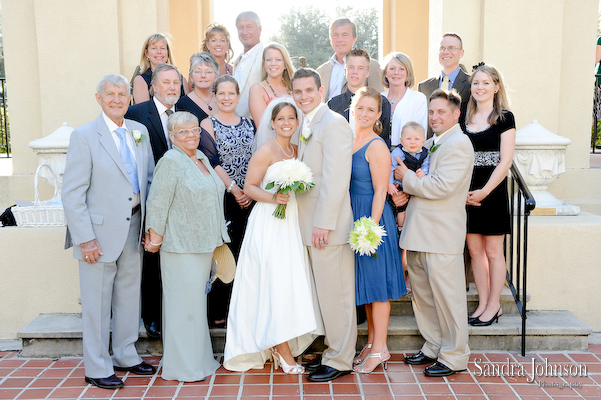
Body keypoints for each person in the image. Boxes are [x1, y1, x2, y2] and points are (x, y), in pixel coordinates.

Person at [62, 74, 155, 389]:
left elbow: (150, 181)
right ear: (98, 98)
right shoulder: (84, 136)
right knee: (97, 302)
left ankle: (125, 354)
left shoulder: (139, 131)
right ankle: (97, 366)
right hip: (97, 234)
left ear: (129, 98)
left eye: (122, 94)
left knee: (129, 296)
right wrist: (84, 237)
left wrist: (150, 225)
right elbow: (72, 194)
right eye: (110, 94)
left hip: (134, 225)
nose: (117, 99)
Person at [224, 99, 323, 373]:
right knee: (273, 282)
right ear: (272, 122)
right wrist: (273, 197)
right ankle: (280, 348)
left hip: (292, 221)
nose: (287, 123)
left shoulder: (297, 149)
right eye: (281, 119)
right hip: (270, 222)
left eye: (292, 118)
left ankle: (281, 340)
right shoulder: (266, 150)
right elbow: (249, 187)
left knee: (290, 282)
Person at [396, 89, 474, 377]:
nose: (435, 116)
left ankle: (454, 356)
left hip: (441, 235)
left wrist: (404, 178)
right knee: (424, 297)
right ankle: (433, 345)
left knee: (448, 298)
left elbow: (440, 186)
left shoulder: (459, 144)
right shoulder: (428, 143)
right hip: (418, 232)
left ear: (456, 114)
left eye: (441, 111)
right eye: (431, 112)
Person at [144, 111, 227, 381]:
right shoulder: (171, 161)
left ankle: (200, 360)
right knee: (182, 308)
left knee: (194, 307)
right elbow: (157, 202)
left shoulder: (200, 157)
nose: (191, 135)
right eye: (183, 132)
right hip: (180, 246)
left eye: (194, 130)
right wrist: (154, 239)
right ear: (171, 136)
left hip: (203, 243)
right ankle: (183, 366)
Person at [291, 68, 355, 382]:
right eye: (297, 92)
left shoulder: (334, 124)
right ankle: (332, 350)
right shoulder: (306, 124)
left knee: (337, 294)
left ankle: (342, 359)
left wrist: (324, 224)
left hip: (326, 228)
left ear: (321, 90)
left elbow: (336, 179)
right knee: (324, 295)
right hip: (307, 224)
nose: (303, 96)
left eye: (308, 90)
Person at [349, 87, 407, 374]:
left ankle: (381, 348)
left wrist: (369, 228)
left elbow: (381, 189)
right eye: (360, 107)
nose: (364, 113)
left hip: (371, 219)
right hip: (354, 216)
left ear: (379, 114)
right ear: (353, 107)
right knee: (368, 287)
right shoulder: (350, 140)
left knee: (378, 289)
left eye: (370, 109)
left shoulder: (376, 145)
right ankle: (372, 344)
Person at [125, 62, 182, 339]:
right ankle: (152, 318)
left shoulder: (186, 112)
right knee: (151, 257)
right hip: (150, 198)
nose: (172, 87)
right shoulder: (135, 115)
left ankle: (175, 313)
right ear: (154, 87)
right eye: (166, 82)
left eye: (176, 83)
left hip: (181, 200)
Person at [460, 65, 515, 327]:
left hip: (491, 190)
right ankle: (483, 303)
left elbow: (505, 162)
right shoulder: (463, 118)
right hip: (466, 192)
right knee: (474, 250)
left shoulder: (505, 118)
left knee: (493, 251)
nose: (479, 88)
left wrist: (484, 191)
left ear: (496, 87)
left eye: (485, 83)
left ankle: (495, 305)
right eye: (475, 83)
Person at [199, 75, 255, 328]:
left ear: (238, 96)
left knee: (246, 252)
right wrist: (234, 189)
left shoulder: (250, 123)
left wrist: (249, 192)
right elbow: (211, 161)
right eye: (220, 93)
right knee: (225, 254)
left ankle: (241, 309)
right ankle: (218, 311)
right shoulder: (207, 123)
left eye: (231, 93)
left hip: (250, 198)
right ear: (214, 96)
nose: (226, 98)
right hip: (223, 197)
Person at [388, 122, 430, 291]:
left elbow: (426, 167)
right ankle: (401, 228)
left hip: (417, 192)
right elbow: (390, 168)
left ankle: (410, 277)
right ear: (401, 140)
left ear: (423, 140)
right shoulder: (398, 153)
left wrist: (423, 172)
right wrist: (389, 184)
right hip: (400, 189)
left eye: (416, 139)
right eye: (408, 138)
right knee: (402, 214)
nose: (412, 142)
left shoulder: (425, 154)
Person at [328, 48, 392, 146]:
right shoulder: (333, 104)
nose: (355, 72)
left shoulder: (382, 103)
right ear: (345, 71)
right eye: (351, 67)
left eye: (360, 68)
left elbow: (384, 141)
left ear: (367, 73)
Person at [317, 18, 384, 102]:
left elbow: (379, 101)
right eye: (335, 35)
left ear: (354, 39)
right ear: (330, 40)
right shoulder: (321, 71)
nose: (340, 39)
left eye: (345, 35)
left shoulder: (372, 66)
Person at [418, 33, 470, 137]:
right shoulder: (424, 87)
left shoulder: (472, 84)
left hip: (459, 147)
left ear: (461, 53)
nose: (446, 52)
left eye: (451, 48)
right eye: (442, 48)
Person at [382, 52, 428, 147]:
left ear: (408, 73)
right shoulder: (378, 98)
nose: (396, 73)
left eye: (401, 69)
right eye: (392, 68)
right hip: (378, 154)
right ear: (386, 73)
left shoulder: (418, 99)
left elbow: (421, 134)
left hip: (407, 157)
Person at [131, 33, 187, 105]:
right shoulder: (140, 80)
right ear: (146, 53)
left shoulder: (181, 79)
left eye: (162, 48)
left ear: (168, 53)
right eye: (154, 48)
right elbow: (144, 112)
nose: (159, 52)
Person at [248, 42, 295, 127]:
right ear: (264, 64)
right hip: (271, 139)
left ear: (285, 65)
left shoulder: (293, 88)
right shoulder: (257, 90)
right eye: (269, 60)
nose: (273, 63)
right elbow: (262, 127)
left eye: (278, 59)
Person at [233, 11, 264, 118]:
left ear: (259, 29)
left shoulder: (265, 55)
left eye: (249, 27)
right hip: (238, 122)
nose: (244, 32)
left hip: (257, 121)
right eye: (241, 28)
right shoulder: (238, 60)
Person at [176, 52, 219, 124]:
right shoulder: (182, 105)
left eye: (208, 72)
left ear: (215, 77)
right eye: (198, 71)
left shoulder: (222, 100)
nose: (203, 75)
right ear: (191, 77)